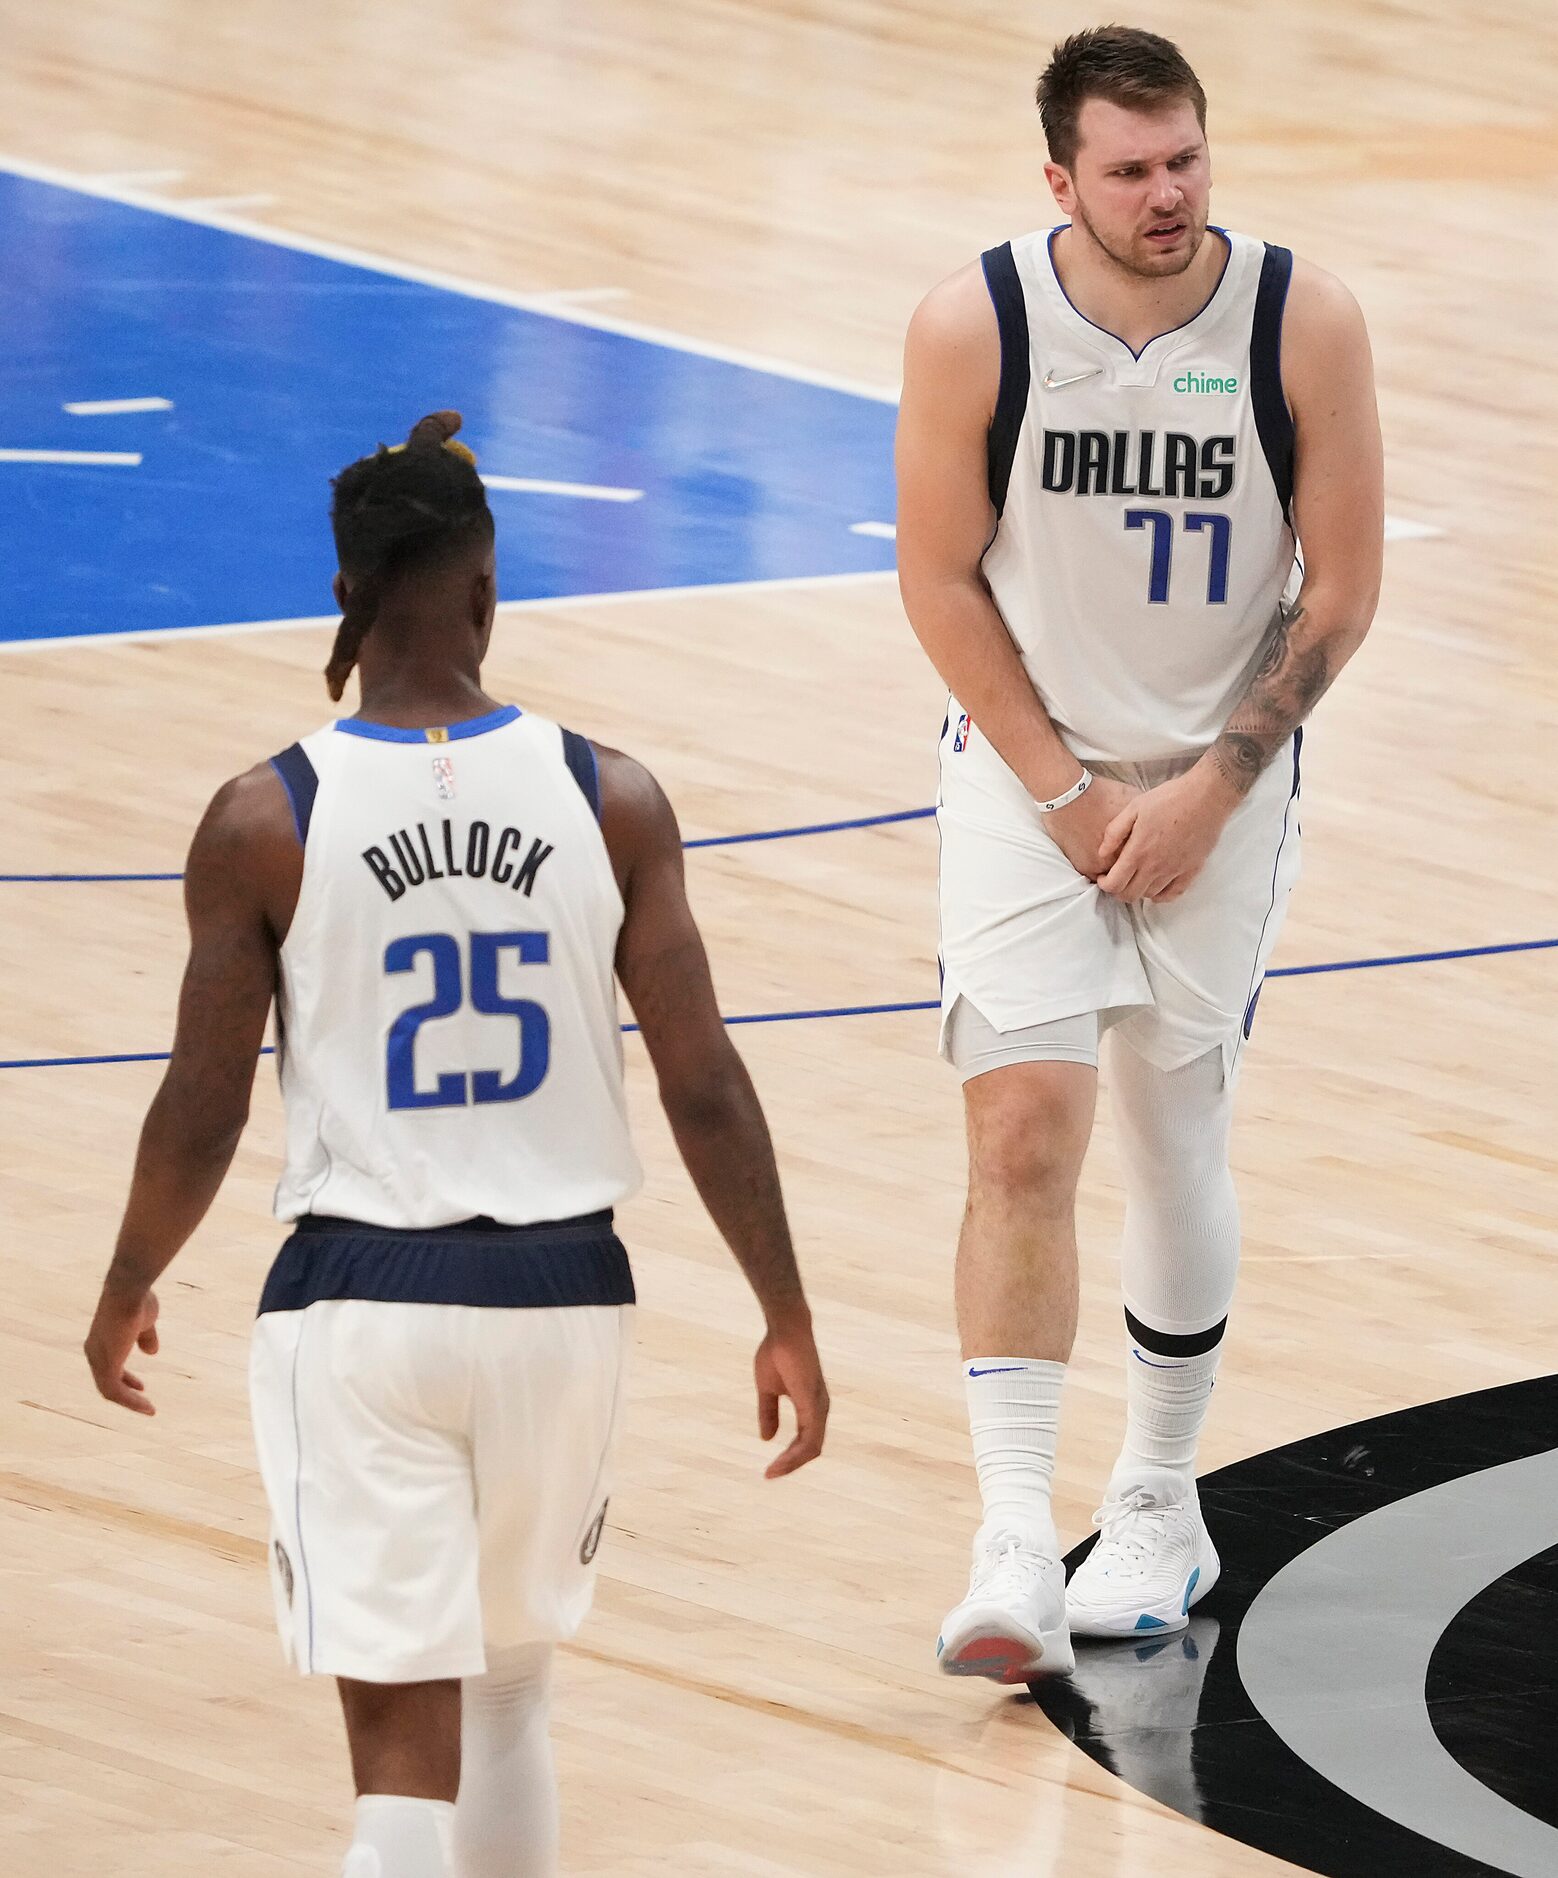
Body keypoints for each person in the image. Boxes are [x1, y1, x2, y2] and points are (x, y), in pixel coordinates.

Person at [83, 412, 829, 1876]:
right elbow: (703, 1089)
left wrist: (124, 1281)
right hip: (565, 1305)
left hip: (365, 1304)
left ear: (345, 597)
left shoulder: (262, 818)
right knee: (513, 1695)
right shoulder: (610, 795)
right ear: (488, 596)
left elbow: (203, 1105)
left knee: (399, 1772)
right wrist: (784, 1310)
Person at [895, 27, 1382, 1680]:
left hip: (1216, 797)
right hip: (1022, 783)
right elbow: (939, 579)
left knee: (1175, 1141)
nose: (1166, 193)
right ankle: (1014, 1535)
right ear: (1059, 180)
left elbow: (1339, 590)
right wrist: (1055, 793)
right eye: (1128, 168)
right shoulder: (975, 323)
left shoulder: (1300, 318)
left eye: (1184, 157)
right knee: (1022, 1129)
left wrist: (1208, 790)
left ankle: (1160, 1492)